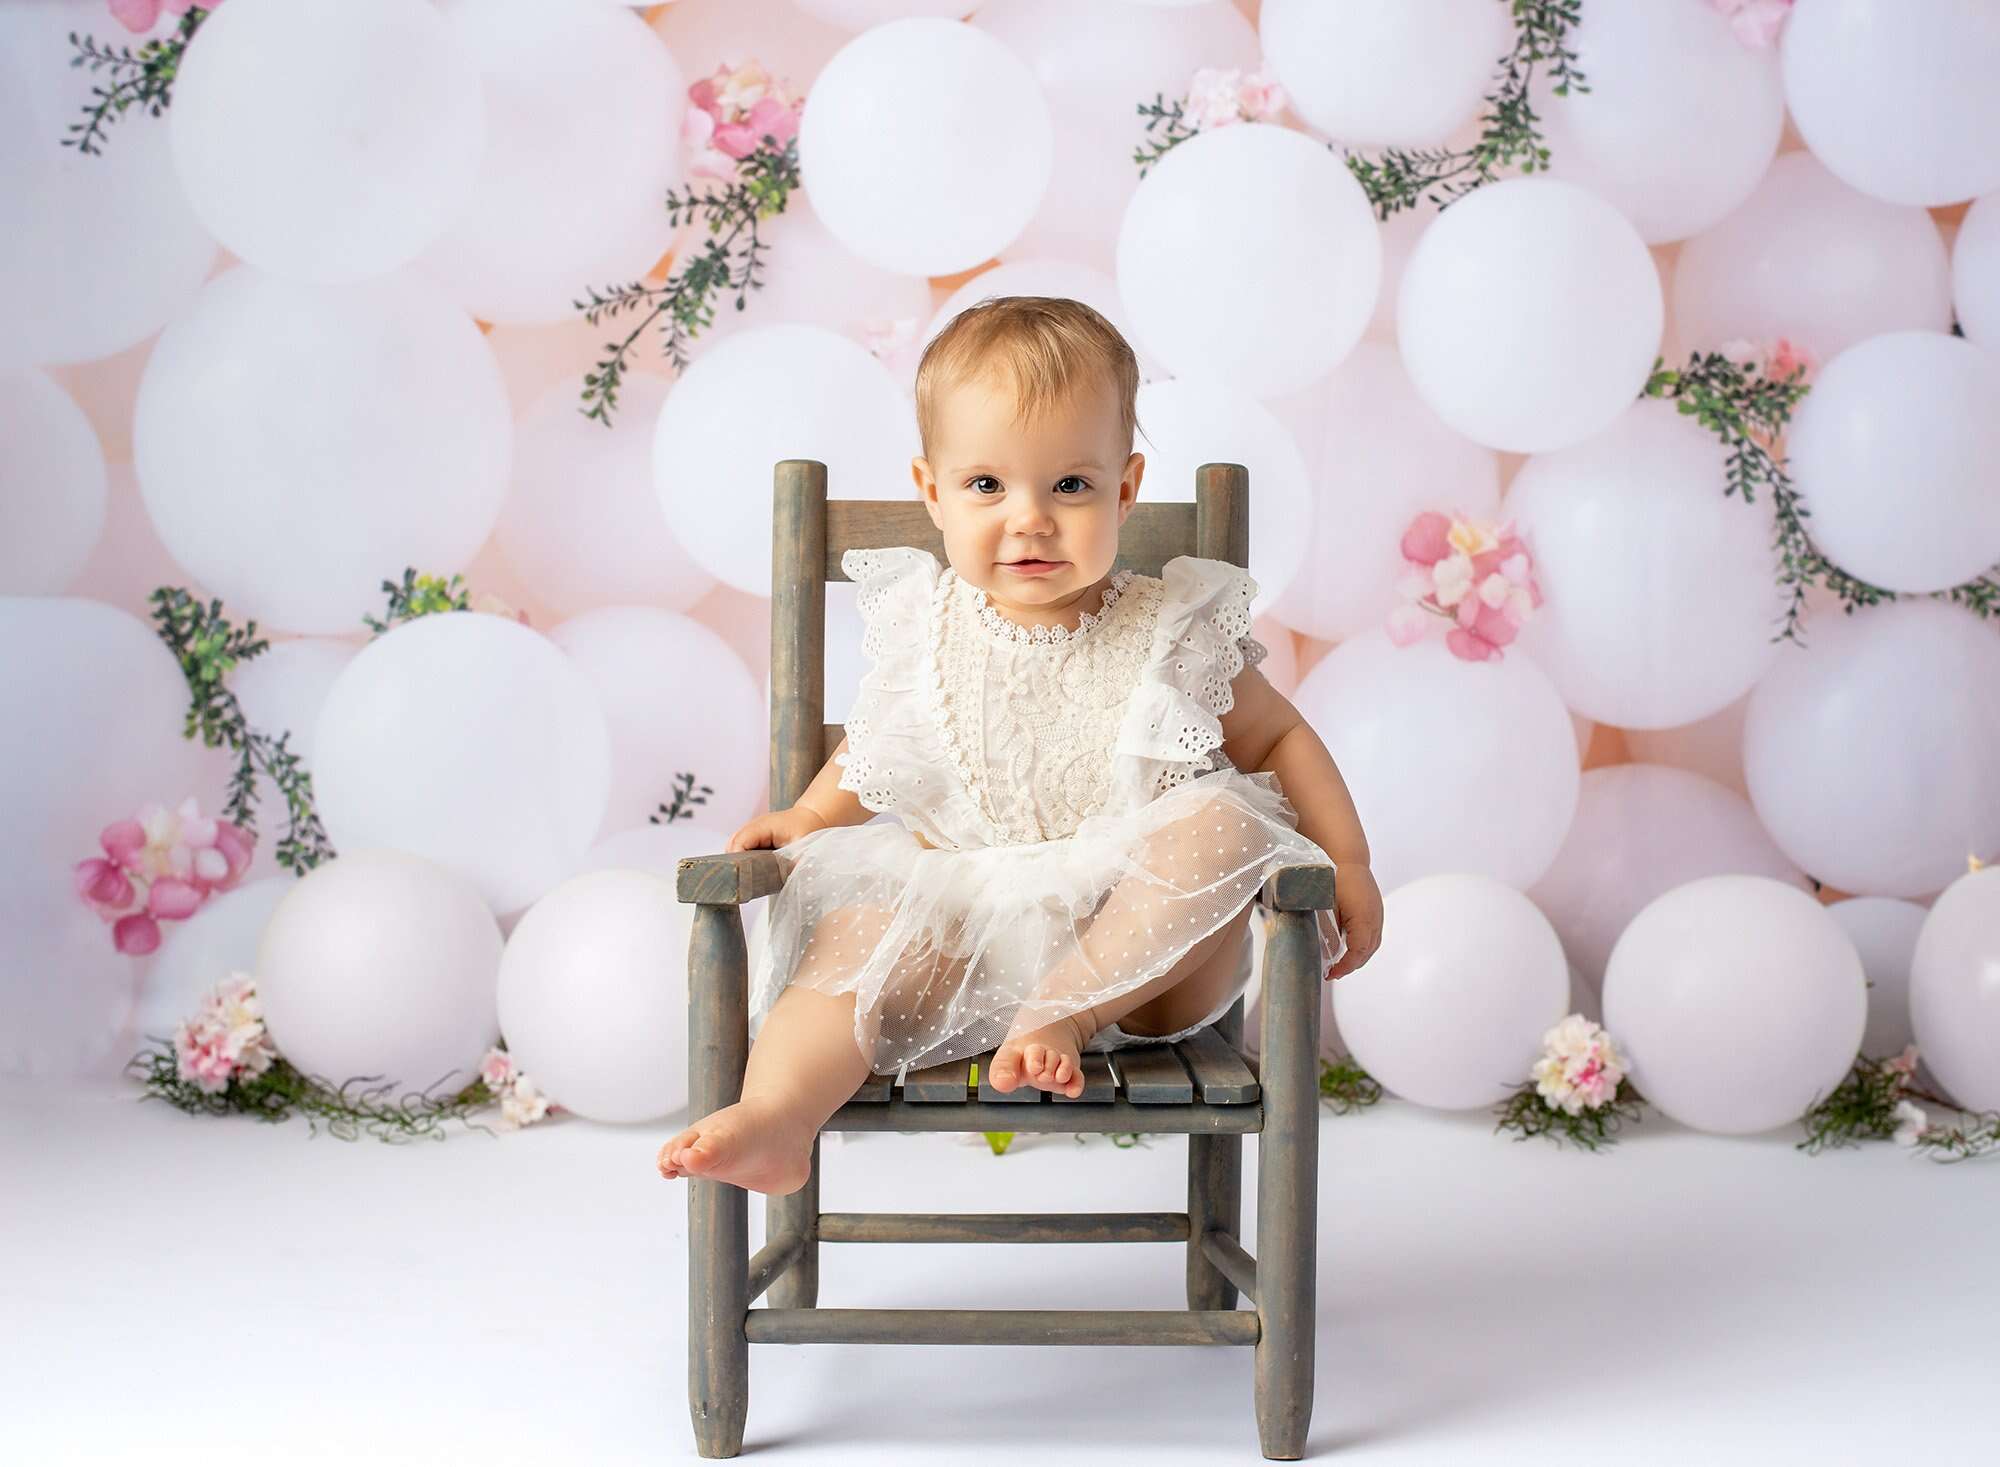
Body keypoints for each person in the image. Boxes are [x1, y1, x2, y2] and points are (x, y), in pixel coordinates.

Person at [657, 296, 1382, 1196]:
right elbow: (875, 750)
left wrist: (1346, 860)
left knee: (1222, 822)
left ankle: (1065, 1015)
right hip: (975, 951)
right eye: (988, 486)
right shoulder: (925, 629)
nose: (1030, 518)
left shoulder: (1171, 628)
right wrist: (806, 815)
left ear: (1124, 489)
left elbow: (1279, 733)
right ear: (933, 492)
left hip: (1148, 961)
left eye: (1070, 486)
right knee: (861, 930)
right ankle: (777, 1115)